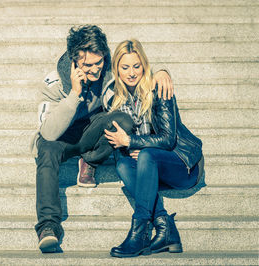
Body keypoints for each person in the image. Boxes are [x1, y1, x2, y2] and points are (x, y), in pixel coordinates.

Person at [31, 25, 174, 253]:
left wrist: (161, 73)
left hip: (92, 134)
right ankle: (48, 227)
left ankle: (91, 159)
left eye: (99, 62)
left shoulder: (109, 72)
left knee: (123, 121)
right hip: (62, 138)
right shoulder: (55, 82)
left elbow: (136, 70)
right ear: (74, 60)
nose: (96, 69)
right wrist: (74, 94)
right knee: (45, 148)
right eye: (88, 65)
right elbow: (48, 132)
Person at [94, 39, 205, 258]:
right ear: (116, 68)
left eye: (137, 66)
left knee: (145, 155)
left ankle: (140, 233)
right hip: (149, 165)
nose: (131, 73)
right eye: (125, 67)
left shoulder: (158, 88)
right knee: (123, 165)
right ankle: (165, 228)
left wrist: (131, 142)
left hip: (183, 165)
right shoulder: (114, 98)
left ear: (144, 66)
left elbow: (167, 140)